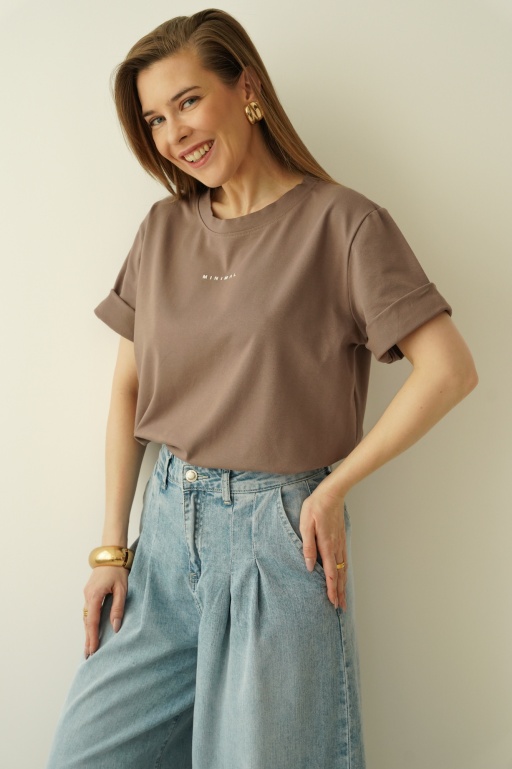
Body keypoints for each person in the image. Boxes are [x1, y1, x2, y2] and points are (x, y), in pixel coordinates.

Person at [45, 8, 478, 769]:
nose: (174, 133)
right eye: (154, 119)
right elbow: (127, 392)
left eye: (187, 101)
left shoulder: (343, 224)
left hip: (278, 541)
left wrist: (332, 488)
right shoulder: (162, 229)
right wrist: (111, 548)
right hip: (164, 542)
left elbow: (449, 369)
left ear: (246, 89)